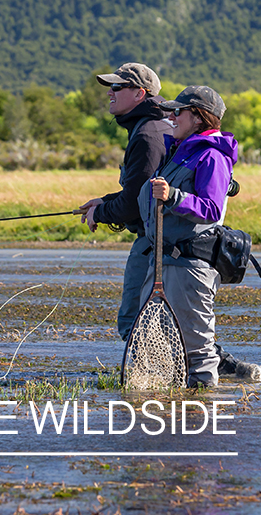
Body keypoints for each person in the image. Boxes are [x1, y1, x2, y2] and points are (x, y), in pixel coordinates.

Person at [136, 86, 238, 389]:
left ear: (198, 118)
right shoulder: (178, 153)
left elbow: (211, 209)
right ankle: (170, 419)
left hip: (191, 268)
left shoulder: (212, 157)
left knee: (197, 353)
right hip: (161, 262)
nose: (171, 116)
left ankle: (201, 424)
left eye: (178, 111)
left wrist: (173, 196)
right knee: (149, 339)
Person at [77, 63, 171, 341]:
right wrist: (104, 201)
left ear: (140, 94)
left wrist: (102, 213)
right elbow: (141, 191)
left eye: (117, 87)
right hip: (164, 241)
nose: (110, 93)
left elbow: (134, 205)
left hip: (156, 242)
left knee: (133, 320)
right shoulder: (154, 126)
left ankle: (155, 381)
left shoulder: (147, 135)